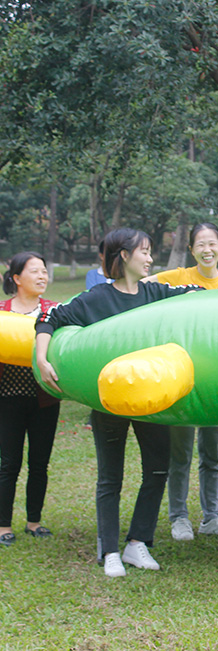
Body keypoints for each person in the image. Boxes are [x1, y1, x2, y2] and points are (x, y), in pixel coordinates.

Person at [35, 228, 201, 577]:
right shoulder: (96, 298)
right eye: (144, 251)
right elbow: (49, 317)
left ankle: (137, 543)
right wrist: (43, 358)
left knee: (157, 470)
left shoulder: (156, 293)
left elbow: (196, 294)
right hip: (108, 402)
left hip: (149, 402)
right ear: (124, 255)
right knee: (110, 477)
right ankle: (109, 550)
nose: (150, 258)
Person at [144, 222, 218, 541]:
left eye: (212, 244)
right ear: (192, 249)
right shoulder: (178, 278)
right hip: (181, 380)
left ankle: (212, 516)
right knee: (180, 453)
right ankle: (178, 516)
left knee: (212, 453)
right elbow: (139, 285)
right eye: (200, 245)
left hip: (215, 381)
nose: (207, 250)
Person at [0, 252, 60, 546]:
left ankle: (33, 521)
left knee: (40, 463)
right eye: (34, 271)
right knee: (8, 463)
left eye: (44, 271)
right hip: (7, 398)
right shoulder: (2, 311)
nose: (42, 276)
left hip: (44, 400)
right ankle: (2, 526)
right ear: (16, 278)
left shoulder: (54, 311)